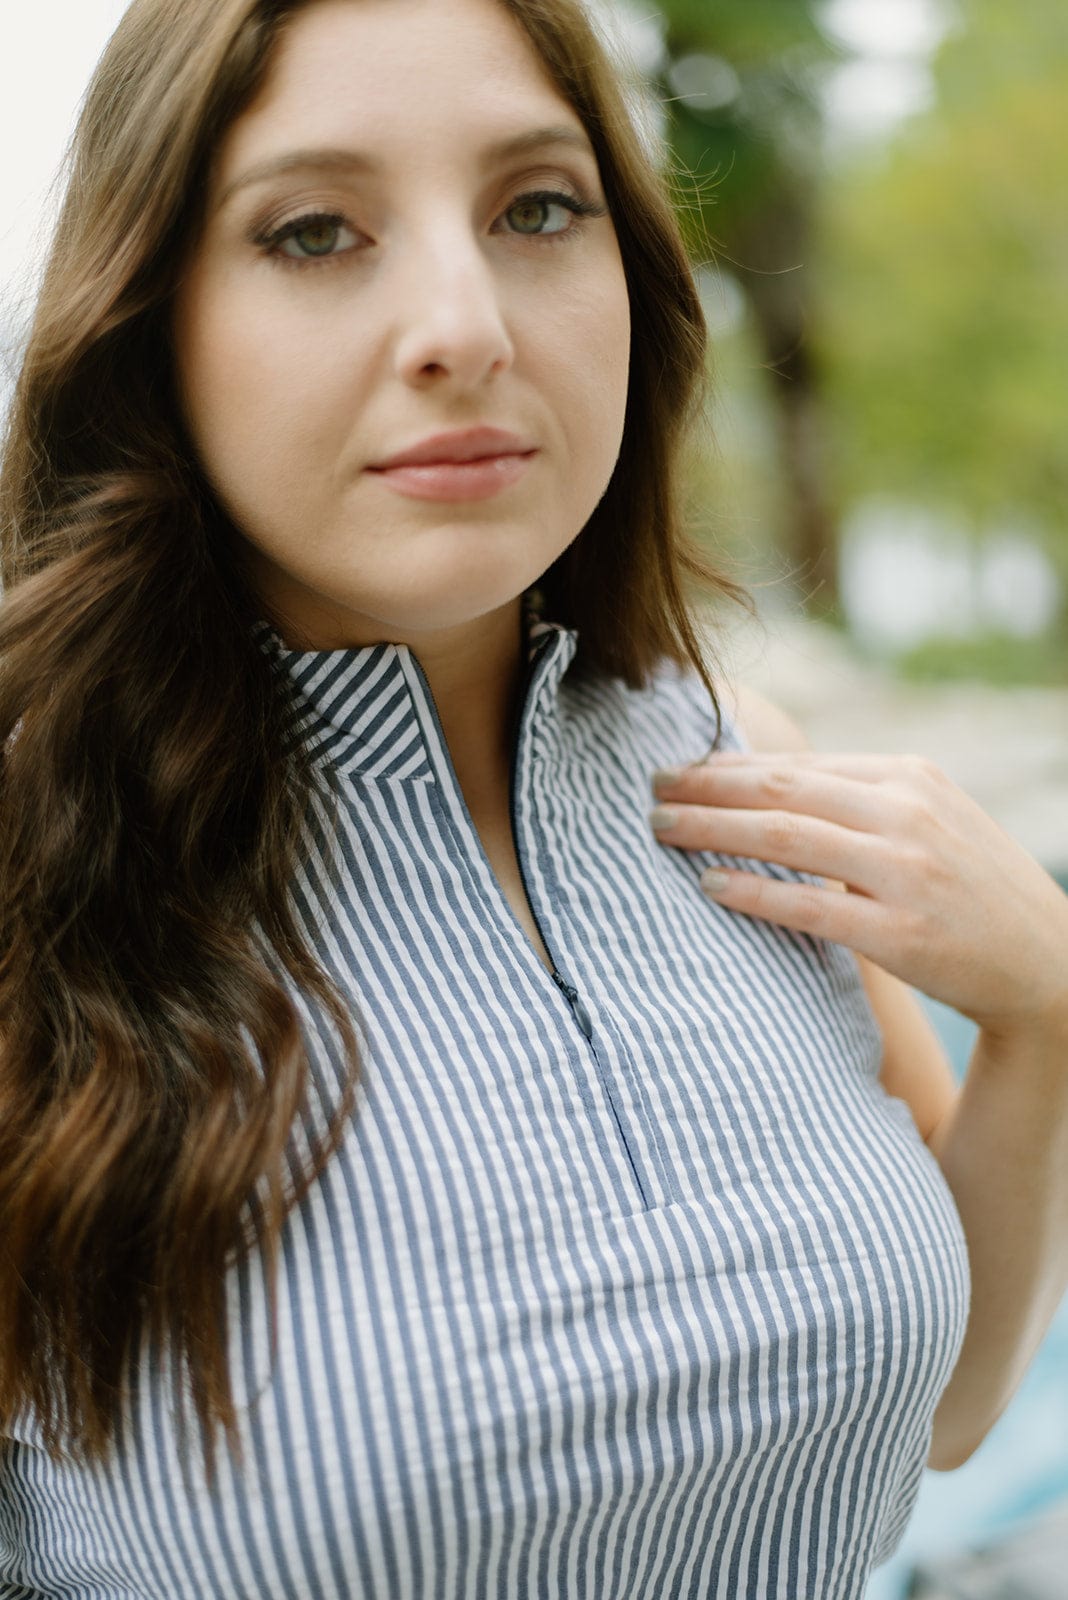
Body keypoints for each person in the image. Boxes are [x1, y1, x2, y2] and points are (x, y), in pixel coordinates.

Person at [1, 0, 1066, 1595]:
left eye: (538, 209)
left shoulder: (736, 774)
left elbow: (945, 1412)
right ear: (149, 322)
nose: (465, 326)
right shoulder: (34, 881)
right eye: (314, 232)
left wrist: (1043, 1012)